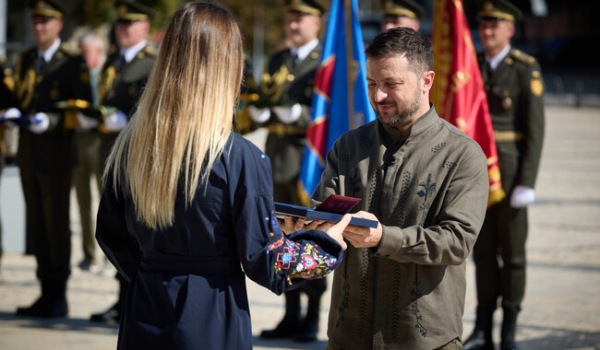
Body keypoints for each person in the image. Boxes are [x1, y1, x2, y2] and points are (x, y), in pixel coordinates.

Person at [94, 2, 349, 349]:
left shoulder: (129, 147)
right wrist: (327, 242)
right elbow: (272, 265)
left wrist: (159, 270)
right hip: (211, 314)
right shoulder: (239, 156)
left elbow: (111, 236)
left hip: (145, 308)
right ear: (228, 67)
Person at [290, 27, 489, 349]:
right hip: (349, 335)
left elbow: (456, 241)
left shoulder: (462, 154)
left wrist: (384, 238)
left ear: (426, 81)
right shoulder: (349, 146)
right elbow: (324, 215)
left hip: (422, 339)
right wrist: (300, 226)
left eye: (392, 85)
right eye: (372, 84)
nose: (378, 96)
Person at [464, 2, 545, 350]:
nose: (487, 30)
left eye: (496, 25)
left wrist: (527, 181)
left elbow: (535, 131)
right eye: (483, 24)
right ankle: (483, 328)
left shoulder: (525, 69)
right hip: (476, 177)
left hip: (511, 178)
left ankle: (509, 329)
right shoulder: (472, 67)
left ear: (510, 30)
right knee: (482, 255)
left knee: (513, 256)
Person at [248, 0, 328, 342]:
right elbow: (261, 97)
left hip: (307, 160)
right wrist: (256, 113)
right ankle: (290, 314)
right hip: (277, 157)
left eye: (301, 18)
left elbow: (333, 113)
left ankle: (311, 316)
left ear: (318, 22)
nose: (293, 24)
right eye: (290, 18)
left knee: (309, 237)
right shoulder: (279, 59)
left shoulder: (326, 62)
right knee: (281, 238)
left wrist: (303, 115)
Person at [8, 0, 92, 317]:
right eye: (35, 21)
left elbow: (83, 108)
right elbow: (18, 97)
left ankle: (59, 294)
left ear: (58, 25)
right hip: (30, 154)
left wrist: (52, 122)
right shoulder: (27, 59)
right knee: (37, 227)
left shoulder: (71, 62)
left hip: (57, 154)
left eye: (45, 21)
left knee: (56, 227)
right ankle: (45, 290)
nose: (38, 27)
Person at [90, 0, 157, 323]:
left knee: (135, 229)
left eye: (131, 24)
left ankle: (133, 296)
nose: (124, 29)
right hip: (108, 153)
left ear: (145, 27)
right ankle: (121, 299)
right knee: (115, 227)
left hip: (136, 157)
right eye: (120, 25)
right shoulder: (112, 63)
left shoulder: (152, 64)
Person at [74, 33, 105, 271]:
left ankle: (107, 256)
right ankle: (88, 253)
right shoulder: (77, 74)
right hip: (79, 139)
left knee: (105, 200)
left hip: (101, 140)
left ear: (98, 51)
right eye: (81, 51)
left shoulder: (107, 74)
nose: (83, 56)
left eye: (87, 51)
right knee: (82, 200)